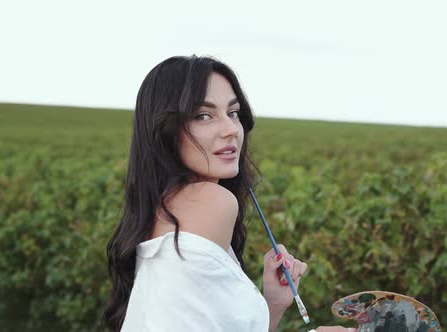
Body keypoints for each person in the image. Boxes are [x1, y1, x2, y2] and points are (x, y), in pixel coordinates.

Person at [103, 55, 356, 332]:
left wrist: (272, 306)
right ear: (166, 130)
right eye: (203, 115)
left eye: (233, 113)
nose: (230, 129)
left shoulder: (162, 207)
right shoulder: (212, 202)